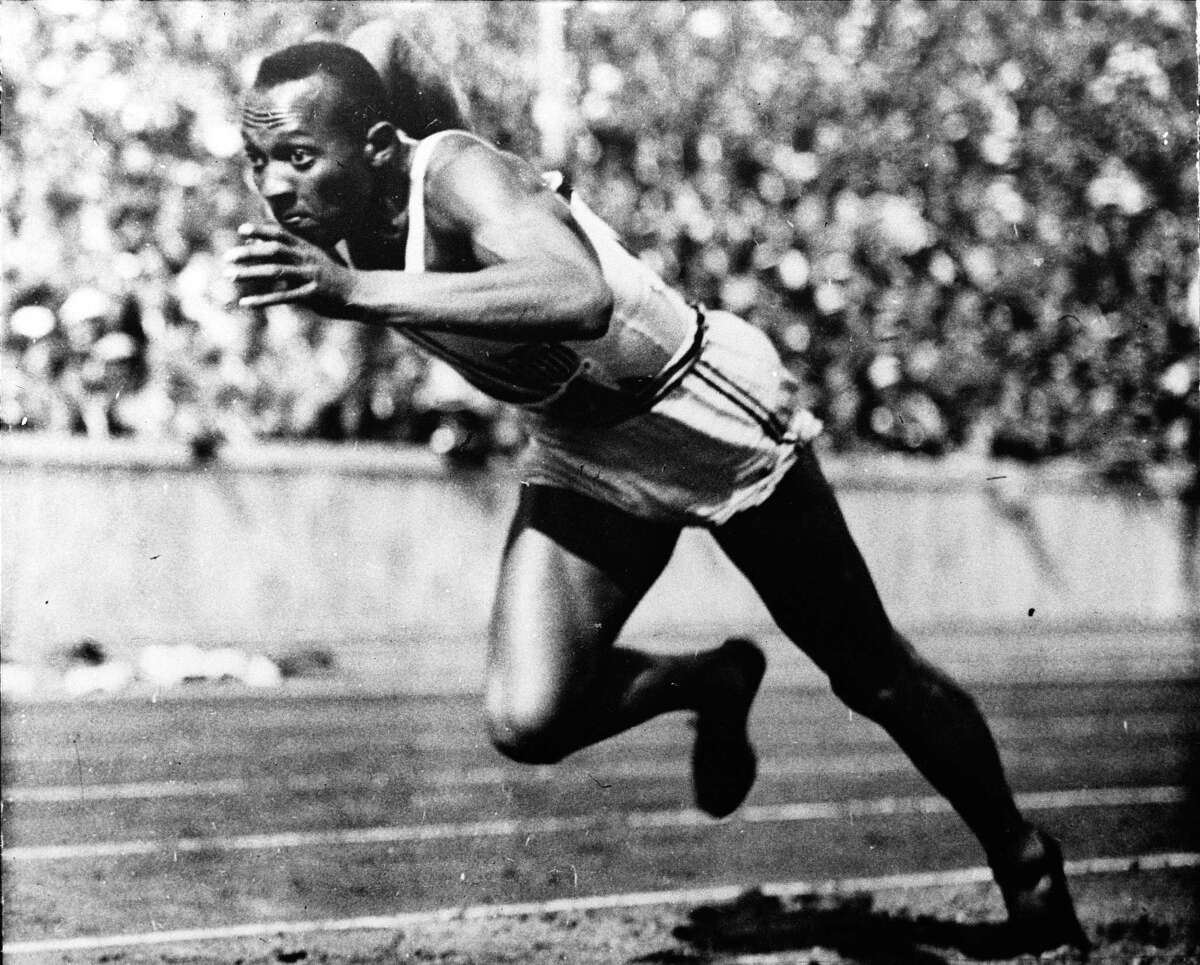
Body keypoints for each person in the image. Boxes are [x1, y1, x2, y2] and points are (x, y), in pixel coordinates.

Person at [226, 37, 1089, 954]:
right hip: (584, 445)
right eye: (258, 162)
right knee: (529, 718)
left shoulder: (461, 181)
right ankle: (706, 681)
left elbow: (578, 294)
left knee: (870, 671)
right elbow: (389, 42)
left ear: (381, 147)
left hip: (696, 411)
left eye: (299, 157)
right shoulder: (352, 205)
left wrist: (360, 290)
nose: (275, 188)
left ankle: (1025, 857)